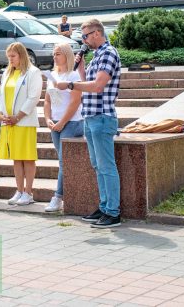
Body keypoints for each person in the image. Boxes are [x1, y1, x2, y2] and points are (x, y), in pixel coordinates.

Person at [56, 18, 122, 228]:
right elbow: (88, 82)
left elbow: (98, 86)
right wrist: (81, 67)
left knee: (106, 166)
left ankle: (113, 212)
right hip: (91, 117)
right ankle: (104, 207)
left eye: (85, 36)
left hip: (102, 117)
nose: (83, 41)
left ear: (96, 33)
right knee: (97, 166)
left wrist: (71, 84)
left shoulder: (109, 53)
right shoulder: (96, 56)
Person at [0, 42, 43, 206]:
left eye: (13, 56)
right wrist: (1, 113)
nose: (10, 60)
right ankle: (19, 190)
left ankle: (28, 192)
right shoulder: (7, 73)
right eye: (8, 56)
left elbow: (33, 97)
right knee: (16, 158)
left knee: (27, 157)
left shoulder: (33, 72)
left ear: (22, 55)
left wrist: (18, 116)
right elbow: (2, 96)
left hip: (24, 122)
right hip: (9, 122)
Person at [43, 43, 83, 212]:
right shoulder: (51, 75)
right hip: (55, 121)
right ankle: (67, 194)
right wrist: (47, 119)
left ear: (66, 55)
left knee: (63, 161)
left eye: (58, 53)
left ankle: (58, 197)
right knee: (63, 161)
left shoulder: (74, 76)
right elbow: (47, 100)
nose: (55, 57)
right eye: (53, 54)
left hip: (72, 122)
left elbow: (75, 102)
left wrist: (62, 122)